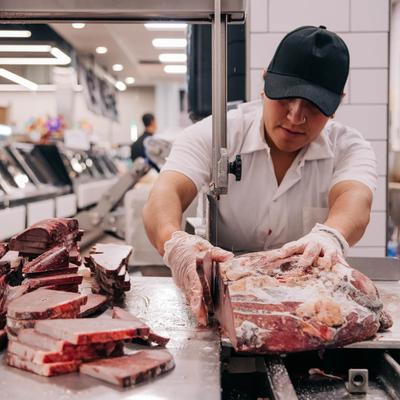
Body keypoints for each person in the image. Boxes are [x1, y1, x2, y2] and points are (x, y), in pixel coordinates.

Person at [143, 26, 377, 324]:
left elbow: (355, 200)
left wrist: (331, 235)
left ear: (336, 104)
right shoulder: (218, 133)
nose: (295, 117)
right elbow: (165, 192)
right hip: (221, 307)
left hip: (305, 312)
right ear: (264, 83)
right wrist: (174, 242)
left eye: (313, 106)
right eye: (285, 99)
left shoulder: (349, 146)